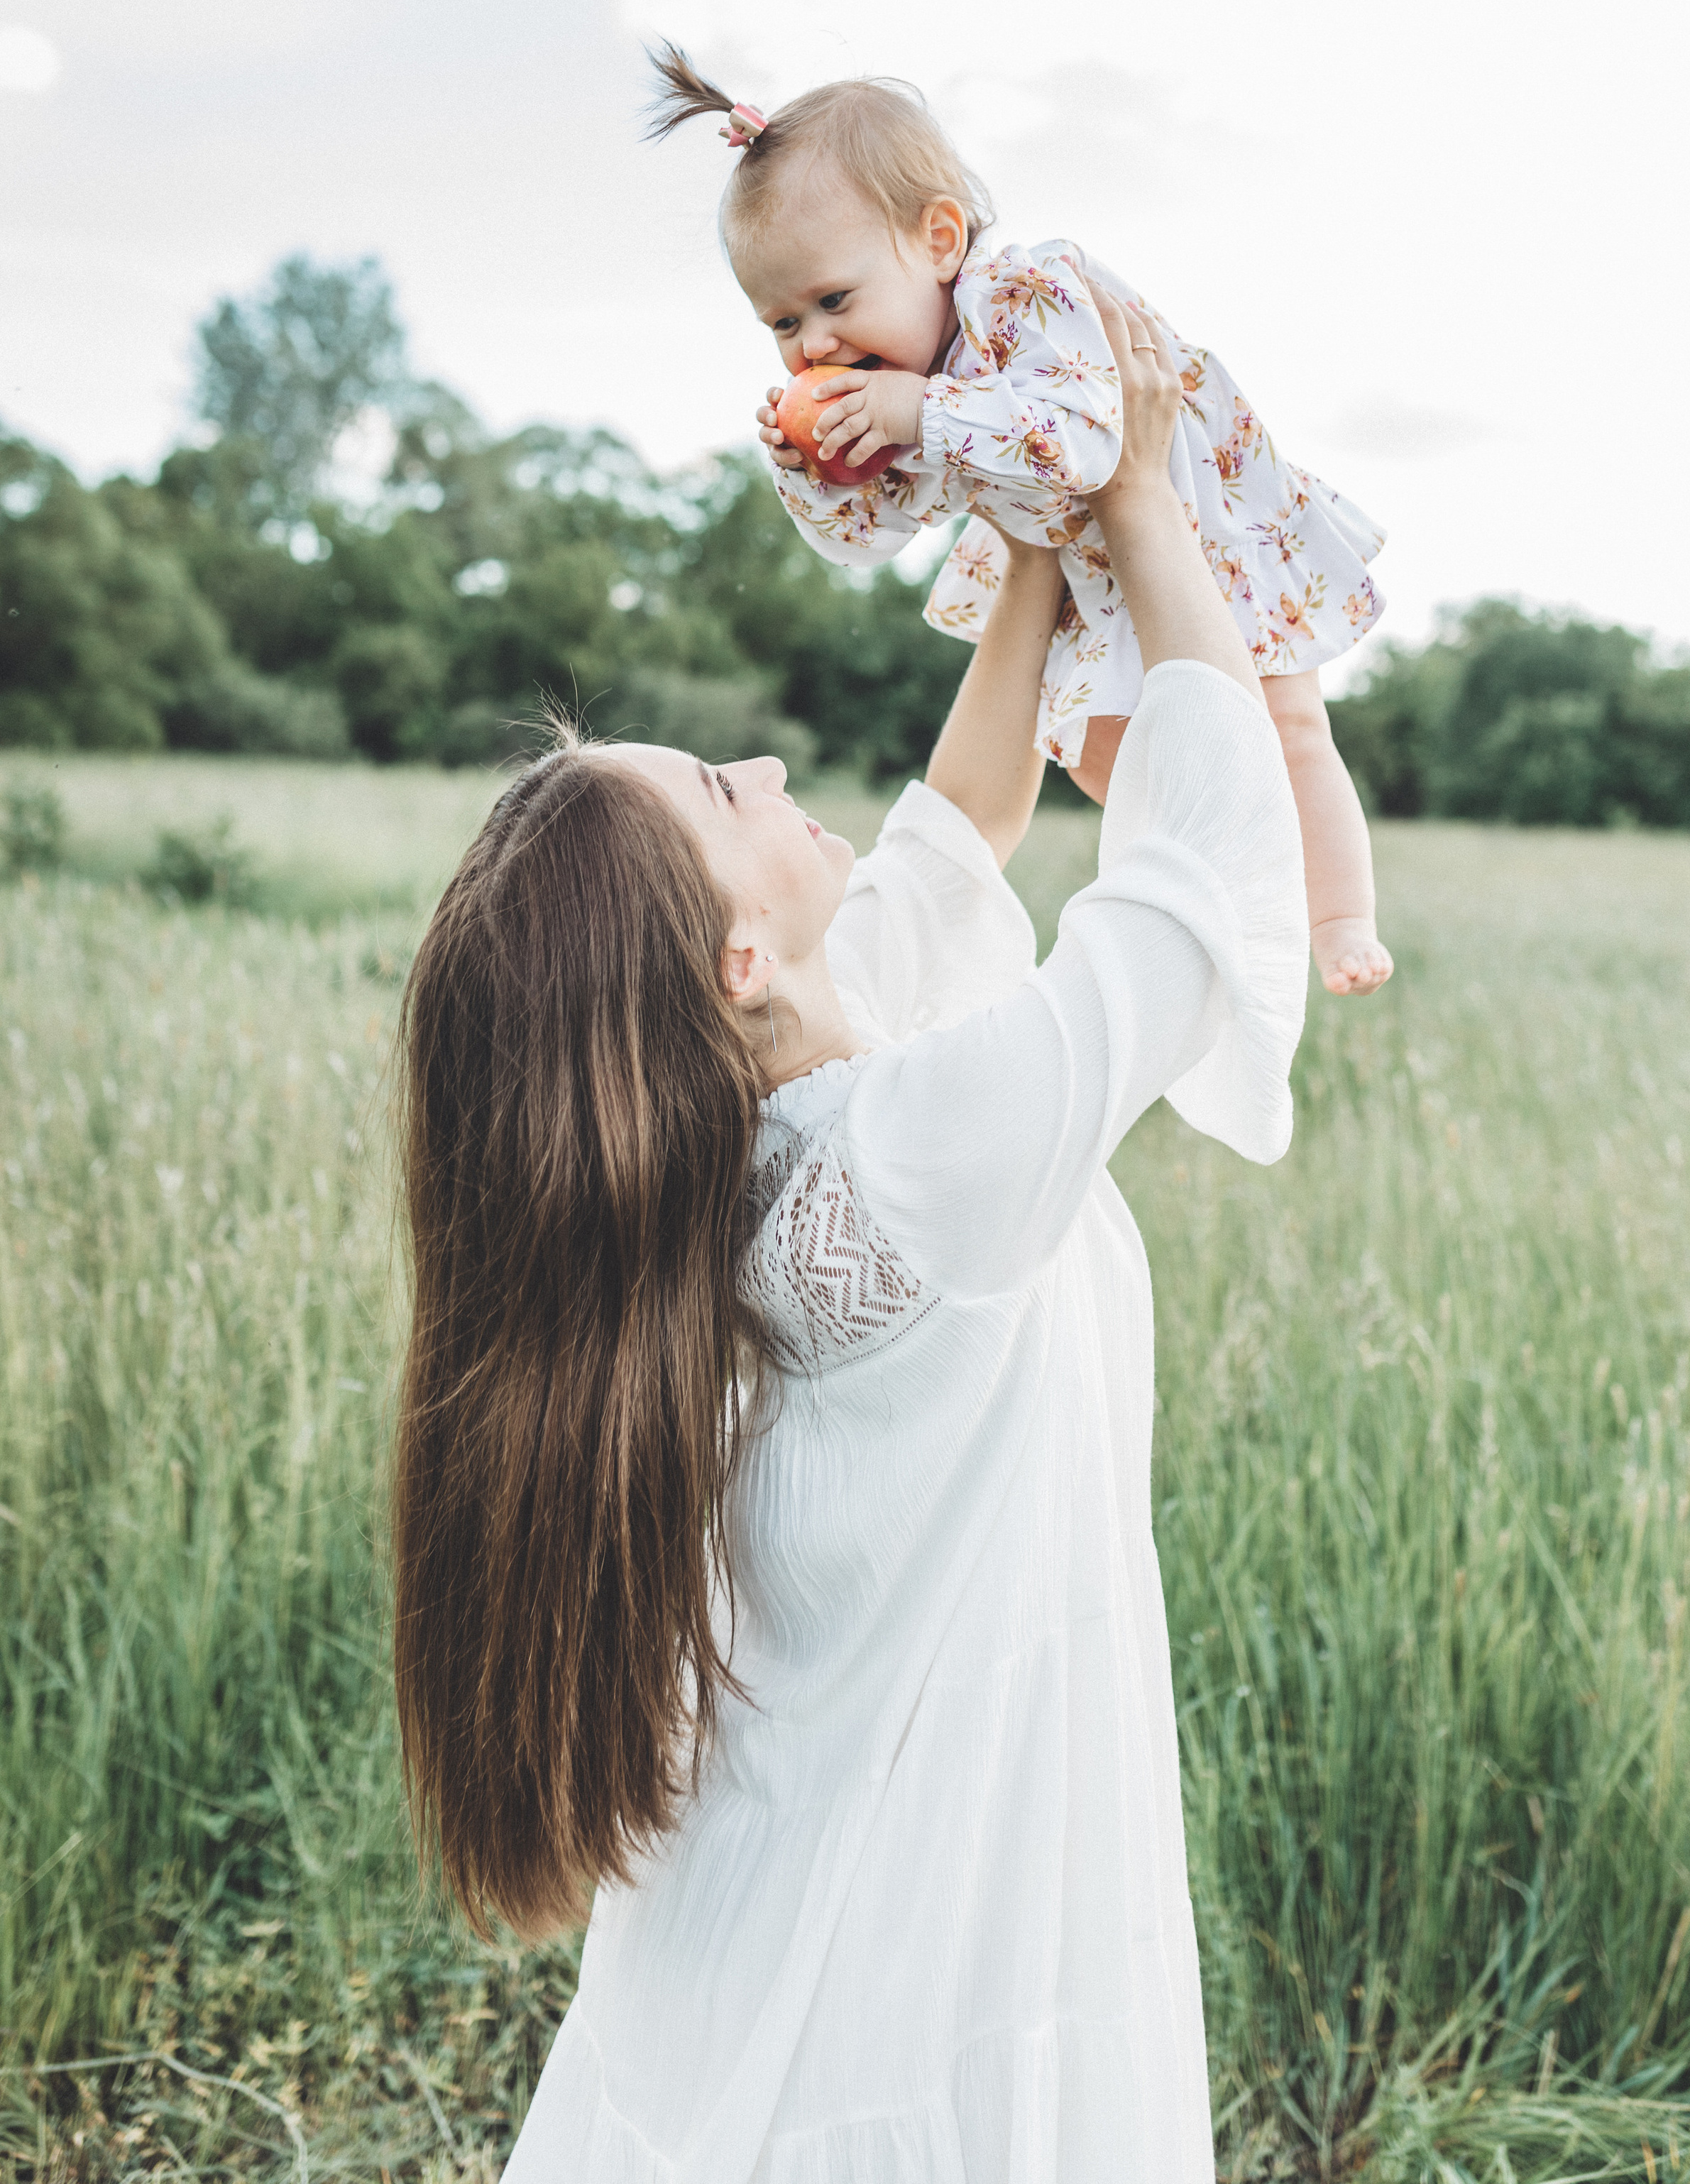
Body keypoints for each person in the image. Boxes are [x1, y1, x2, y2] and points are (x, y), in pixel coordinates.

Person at [392, 300, 1310, 2180]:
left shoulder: (740, 1138)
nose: (765, 774)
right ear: (740, 959)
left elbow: (962, 831)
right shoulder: (906, 1155)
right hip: (951, 1866)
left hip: (846, 1830)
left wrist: (1033, 550)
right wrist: (1142, 500)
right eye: (726, 794)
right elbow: (1196, 890)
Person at [646, 43, 1392, 999]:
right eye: (783, 325)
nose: (815, 345)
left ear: (941, 240)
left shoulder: (1026, 293)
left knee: (1286, 724)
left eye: (833, 300)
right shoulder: (902, 380)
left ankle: (1340, 922)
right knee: (1093, 748)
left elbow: (1087, 438)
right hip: (1096, 574)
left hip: (1209, 529)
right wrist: (814, 475)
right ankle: (1241, 903)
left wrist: (919, 414)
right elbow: (867, 542)